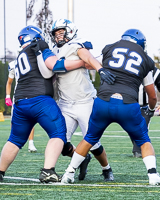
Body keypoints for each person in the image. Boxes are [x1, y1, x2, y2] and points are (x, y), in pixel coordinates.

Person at [61, 29, 160, 186]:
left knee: (89, 138)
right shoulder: (146, 59)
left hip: (103, 102)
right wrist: (151, 109)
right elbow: (152, 95)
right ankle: (153, 176)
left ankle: (69, 173)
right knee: (143, 140)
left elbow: (89, 63)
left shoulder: (109, 48)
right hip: (128, 104)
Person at [33, 19, 116, 182]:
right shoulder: (53, 51)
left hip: (85, 101)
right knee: (60, 140)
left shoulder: (76, 44)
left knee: (92, 142)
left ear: (70, 31)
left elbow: (87, 56)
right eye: (55, 33)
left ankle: (107, 169)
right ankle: (80, 160)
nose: (58, 35)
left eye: (61, 31)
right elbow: (55, 68)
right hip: (65, 103)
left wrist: (99, 68)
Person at [0, 25, 85, 183]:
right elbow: (49, 70)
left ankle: (0, 171)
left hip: (20, 103)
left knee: (15, 139)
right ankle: (48, 171)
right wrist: (80, 63)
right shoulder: (38, 46)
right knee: (58, 134)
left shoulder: (20, 55)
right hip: (39, 99)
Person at [5, 59, 37, 152]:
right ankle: (14, 142)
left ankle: (31, 144)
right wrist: (7, 96)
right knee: (14, 120)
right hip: (18, 95)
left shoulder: (34, 62)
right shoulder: (13, 65)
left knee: (30, 119)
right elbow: (9, 82)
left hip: (31, 95)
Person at [132, 66, 160, 158]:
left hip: (145, 106)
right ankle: (139, 148)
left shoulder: (153, 70)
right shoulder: (127, 67)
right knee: (132, 129)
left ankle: (138, 150)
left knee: (142, 128)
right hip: (129, 103)